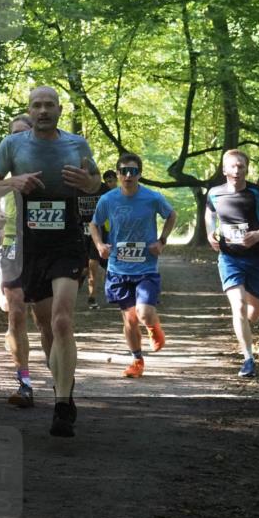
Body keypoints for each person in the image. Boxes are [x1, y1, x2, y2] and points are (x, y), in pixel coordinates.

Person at [0, 87, 101, 437]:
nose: (43, 110)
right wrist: (13, 181)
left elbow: (94, 183)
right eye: (37, 105)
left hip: (66, 241)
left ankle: (63, 403)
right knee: (47, 325)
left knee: (63, 320)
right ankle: (61, 379)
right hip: (29, 244)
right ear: (29, 111)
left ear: (60, 110)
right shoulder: (11, 146)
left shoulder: (77, 144)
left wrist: (89, 183)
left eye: (50, 105)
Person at [92, 153, 176, 378]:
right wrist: (100, 245)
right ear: (118, 174)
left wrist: (162, 240)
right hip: (118, 268)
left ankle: (153, 326)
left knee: (144, 313)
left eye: (133, 171)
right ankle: (137, 360)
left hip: (146, 267)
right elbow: (94, 224)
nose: (129, 175)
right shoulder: (108, 199)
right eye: (124, 171)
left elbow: (171, 215)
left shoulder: (152, 197)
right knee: (129, 318)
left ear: (139, 174)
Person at [205, 149, 259, 378]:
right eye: (232, 166)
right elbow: (210, 214)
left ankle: (243, 329)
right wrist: (211, 232)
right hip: (229, 258)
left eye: (241, 166)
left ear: (247, 169)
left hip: (258, 258)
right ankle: (248, 358)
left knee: (254, 313)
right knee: (238, 305)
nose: (237, 170)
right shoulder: (214, 193)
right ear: (224, 169)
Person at [0, 114, 47, 408]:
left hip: (44, 246)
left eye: (25, 134)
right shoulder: (2, 171)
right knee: (16, 313)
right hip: (10, 245)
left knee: (44, 318)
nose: (19, 140)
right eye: (14, 135)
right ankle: (24, 381)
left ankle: (56, 361)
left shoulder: (48, 164)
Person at [82, 170, 117, 308]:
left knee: (97, 265)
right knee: (86, 268)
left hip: (101, 233)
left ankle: (94, 296)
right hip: (82, 234)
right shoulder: (75, 190)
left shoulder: (106, 191)